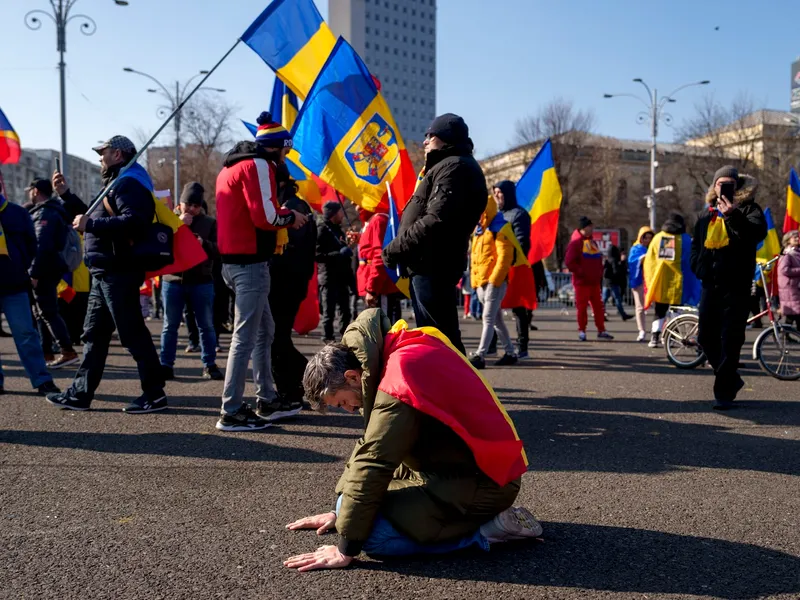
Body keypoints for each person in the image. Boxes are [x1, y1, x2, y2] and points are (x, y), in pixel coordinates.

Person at [284, 309, 541, 572]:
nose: (348, 410)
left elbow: (376, 461)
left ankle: (486, 532)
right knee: (346, 508)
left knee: (371, 539)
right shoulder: (393, 350)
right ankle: (473, 525)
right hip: (452, 467)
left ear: (352, 376)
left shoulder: (398, 377)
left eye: (340, 402)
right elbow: (370, 448)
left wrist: (345, 549)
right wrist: (337, 511)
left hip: (485, 481)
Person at [45, 135, 168, 413]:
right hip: (105, 272)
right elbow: (88, 216)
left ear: (119, 155)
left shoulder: (129, 183)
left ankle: (155, 393)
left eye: (104, 152)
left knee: (131, 333)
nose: (100, 157)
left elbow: (135, 222)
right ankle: (80, 394)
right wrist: (66, 195)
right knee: (94, 335)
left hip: (119, 271)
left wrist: (92, 225)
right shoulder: (116, 183)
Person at [215, 112, 308, 432]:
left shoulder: (231, 166)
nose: (285, 159)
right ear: (277, 148)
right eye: (285, 152)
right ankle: (232, 409)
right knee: (245, 337)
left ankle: (267, 398)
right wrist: (290, 217)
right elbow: (265, 216)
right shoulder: (260, 166)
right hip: (250, 264)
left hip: (233, 262)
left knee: (264, 332)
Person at [383, 113, 488, 355]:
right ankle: (450, 390)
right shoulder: (447, 166)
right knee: (437, 337)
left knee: (440, 340)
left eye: (430, 135)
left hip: (434, 264)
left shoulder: (454, 167)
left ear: (445, 137)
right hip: (427, 263)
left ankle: (460, 391)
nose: (425, 141)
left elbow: (436, 220)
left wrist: (397, 247)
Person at [691, 166, 767, 410]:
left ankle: (723, 392)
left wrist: (733, 215)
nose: (723, 188)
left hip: (737, 286)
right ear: (714, 187)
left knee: (731, 340)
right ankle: (731, 379)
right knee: (704, 337)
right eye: (720, 183)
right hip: (710, 285)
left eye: (729, 184)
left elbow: (756, 235)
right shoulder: (705, 216)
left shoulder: (749, 209)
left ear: (737, 187)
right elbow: (696, 248)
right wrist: (699, 268)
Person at [159, 182, 222, 381]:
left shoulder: (210, 223)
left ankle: (209, 364)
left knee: (206, 325)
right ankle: (166, 365)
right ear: (180, 203)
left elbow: (219, 250)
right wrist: (178, 225)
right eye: (189, 204)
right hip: (173, 280)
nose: (192, 209)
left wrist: (203, 243)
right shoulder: (168, 219)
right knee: (170, 326)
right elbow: (159, 244)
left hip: (201, 280)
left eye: (196, 205)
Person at [0, 190, 60, 396]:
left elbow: (31, 246)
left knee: (26, 333)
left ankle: (42, 380)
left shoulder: (17, 213)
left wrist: (19, 266)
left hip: (14, 285)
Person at [268, 177, 317, 410]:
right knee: (278, 339)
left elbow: (288, 250)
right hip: (286, 282)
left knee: (276, 340)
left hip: (286, 283)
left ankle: (302, 386)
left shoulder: (293, 208)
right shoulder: (289, 205)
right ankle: (302, 385)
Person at [25, 178, 80, 369]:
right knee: (42, 312)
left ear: (36, 191)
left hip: (45, 269)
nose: (28, 193)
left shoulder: (45, 213)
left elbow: (41, 245)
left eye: (30, 190)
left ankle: (67, 351)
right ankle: (46, 353)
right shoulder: (51, 210)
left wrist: (34, 273)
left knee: (47, 311)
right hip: (50, 267)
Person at [469, 197, 518, 369]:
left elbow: (505, 258)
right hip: (483, 283)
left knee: (488, 318)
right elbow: (475, 259)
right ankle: (510, 352)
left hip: (493, 283)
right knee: (497, 320)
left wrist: (494, 281)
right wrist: (476, 283)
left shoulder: (500, 228)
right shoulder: (479, 230)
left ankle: (480, 355)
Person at [643, 213, 701, 348]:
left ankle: (654, 337)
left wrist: (651, 278)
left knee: (659, 310)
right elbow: (690, 260)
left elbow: (649, 261)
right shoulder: (685, 239)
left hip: (661, 281)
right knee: (677, 311)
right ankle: (672, 338)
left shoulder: (658, 238)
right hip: (679, 283)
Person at [493, 180, 533, 358]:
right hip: (496, 266)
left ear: (507, 194)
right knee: (492, 308)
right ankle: (491, 345)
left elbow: (523, 242)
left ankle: (522, 347)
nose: (496, 197)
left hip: (514, 267)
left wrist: (510, 260)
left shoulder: (519, 215)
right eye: (495, 193)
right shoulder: (496, 215)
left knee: (518, 308)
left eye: (499, 193)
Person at [565, 216, 613, 341]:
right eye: (589, 226)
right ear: (582, 228)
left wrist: (599, 272)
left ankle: (601, 330)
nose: (592, 228)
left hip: (594, 282)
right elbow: (569, 262)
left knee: (598, 307)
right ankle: (582, 330)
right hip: (582, 282)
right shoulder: (575, 243)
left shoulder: (592, 242)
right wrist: (582, 272)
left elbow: (597, 260)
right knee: (582, 308)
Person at [316, 201, 354, 343]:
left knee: (345, 310)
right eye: (339, 212)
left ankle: (345, 337)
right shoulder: (322, 230)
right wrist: (338, 254)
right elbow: (318, 255)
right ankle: (328, 338)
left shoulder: (337, 229)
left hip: (341, 276)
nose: (342, 215)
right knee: (329, 311)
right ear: (333, 213)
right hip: (328, 276)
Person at [358, 210, 403, 324]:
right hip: (374, 283)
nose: (354, 203)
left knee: (383, 329)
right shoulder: (373, 220)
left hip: (380, 287)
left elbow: (380, 256)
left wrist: (372, 289)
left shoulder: (378, 220)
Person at [628, 226, 655, 341]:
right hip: (639, 281)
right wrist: (642, 258)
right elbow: (632, 262)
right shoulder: (635, 249)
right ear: (641, 238)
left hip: (651, 281)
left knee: (658, 307)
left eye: (650, 238)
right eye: (646, 238)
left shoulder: (653, 248)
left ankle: (657, 331)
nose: (648, 240)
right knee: (640, 307)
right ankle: (642, 330)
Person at [602, 245, 633, 322]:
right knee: (617, 299)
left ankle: (600, 314)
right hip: (613, 282)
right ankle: (623, 314)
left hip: (606, 282)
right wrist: (621, 264)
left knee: (604, 300)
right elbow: (616, 271)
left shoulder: (607, 260)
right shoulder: (614, 260)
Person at [778, 230, 800, 328]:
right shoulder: (787, 253)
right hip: (790, 288)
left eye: (798, 237)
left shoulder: (796, 252)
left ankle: (785, 335)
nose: (797, 239)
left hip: (795, 287)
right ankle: (785, 335)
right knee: (794, 312)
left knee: (793, 313)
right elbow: (784, 270)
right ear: (788, 240)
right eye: (794, 237)